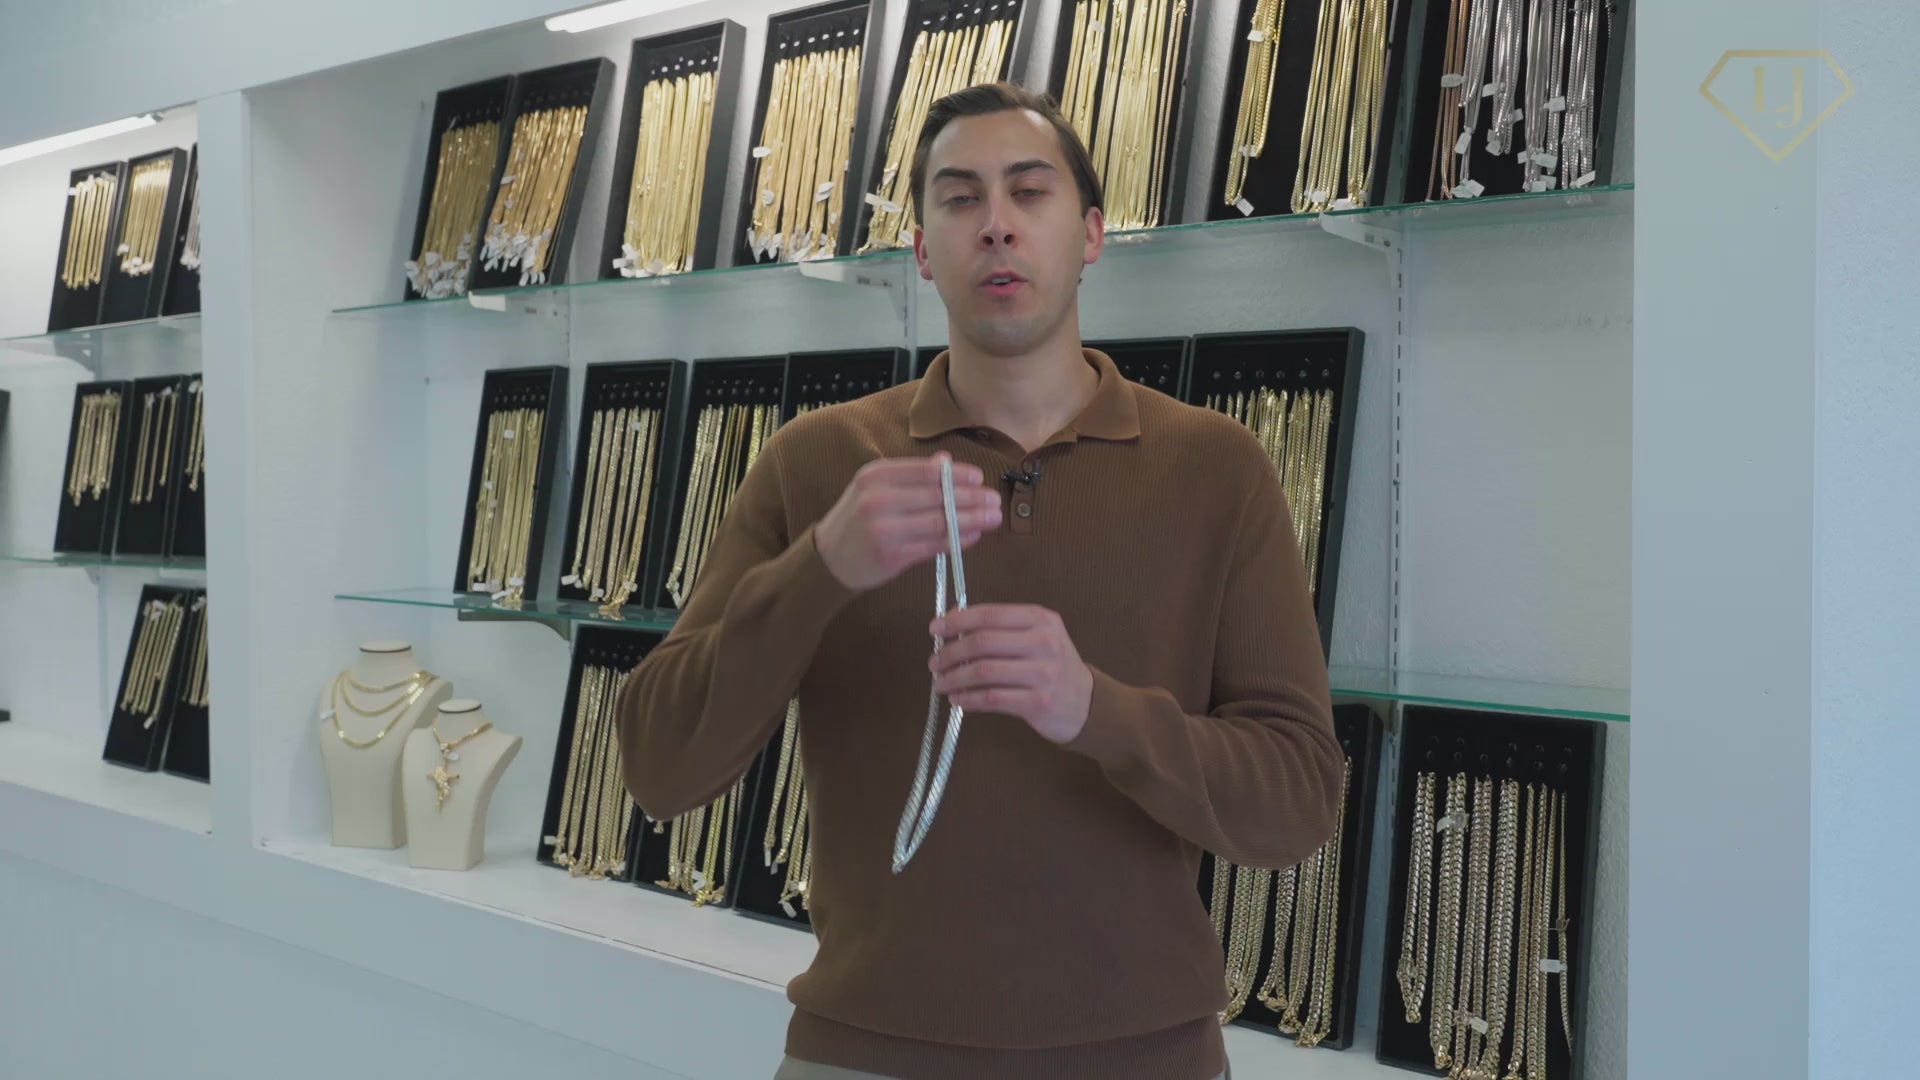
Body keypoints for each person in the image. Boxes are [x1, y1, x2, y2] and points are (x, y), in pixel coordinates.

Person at [617, 81, 1342, 1080]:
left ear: (1091, 234)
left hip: (1146, 1059)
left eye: (1029, 192)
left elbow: (1298, 800)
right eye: (960, 199)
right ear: (923, 250)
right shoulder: (817, 465)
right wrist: (819, 570)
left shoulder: (1219, 470)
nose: (996, 224)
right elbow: (659, 768)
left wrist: (1093, 710)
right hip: (863, 1055)